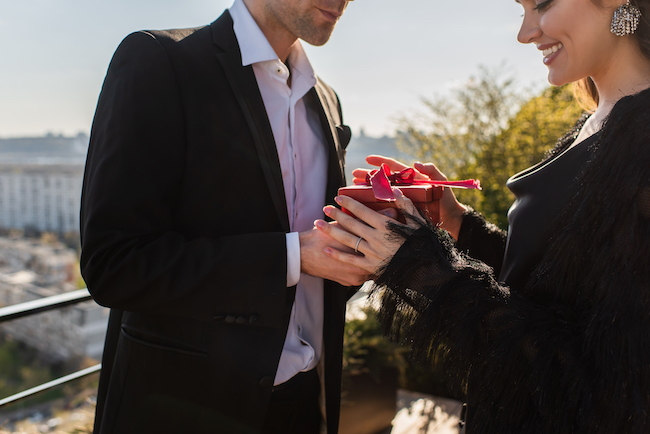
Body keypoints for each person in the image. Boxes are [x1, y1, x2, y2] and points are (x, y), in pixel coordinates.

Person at [315, 0, 650, 431]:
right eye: (521, 10)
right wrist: (459, 224)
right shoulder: (599, 123)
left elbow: (608, 383)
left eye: (542, 5)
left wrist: (417, 263)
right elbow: (555, 287)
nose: (525, 33)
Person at [79, 0, 367, 432]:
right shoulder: (160, 61)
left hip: (307, 404)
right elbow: (114, 264)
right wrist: (294, 257)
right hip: (186, 411)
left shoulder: (326, 99)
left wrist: (370, 237)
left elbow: (320, 270)